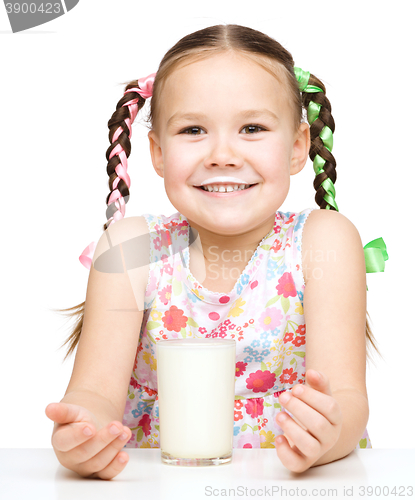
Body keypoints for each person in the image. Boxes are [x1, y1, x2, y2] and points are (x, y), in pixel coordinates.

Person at [45, 24, 388, 480]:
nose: (222, 154)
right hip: (162, 486)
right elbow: (93, 393)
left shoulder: (324, 241)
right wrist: (82, 433)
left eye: (252, 128)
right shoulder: (130, 248)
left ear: (298, 147)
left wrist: (332, 430)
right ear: (159, 152)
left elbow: (346, 399)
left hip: (290, 487)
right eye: (193, 129)